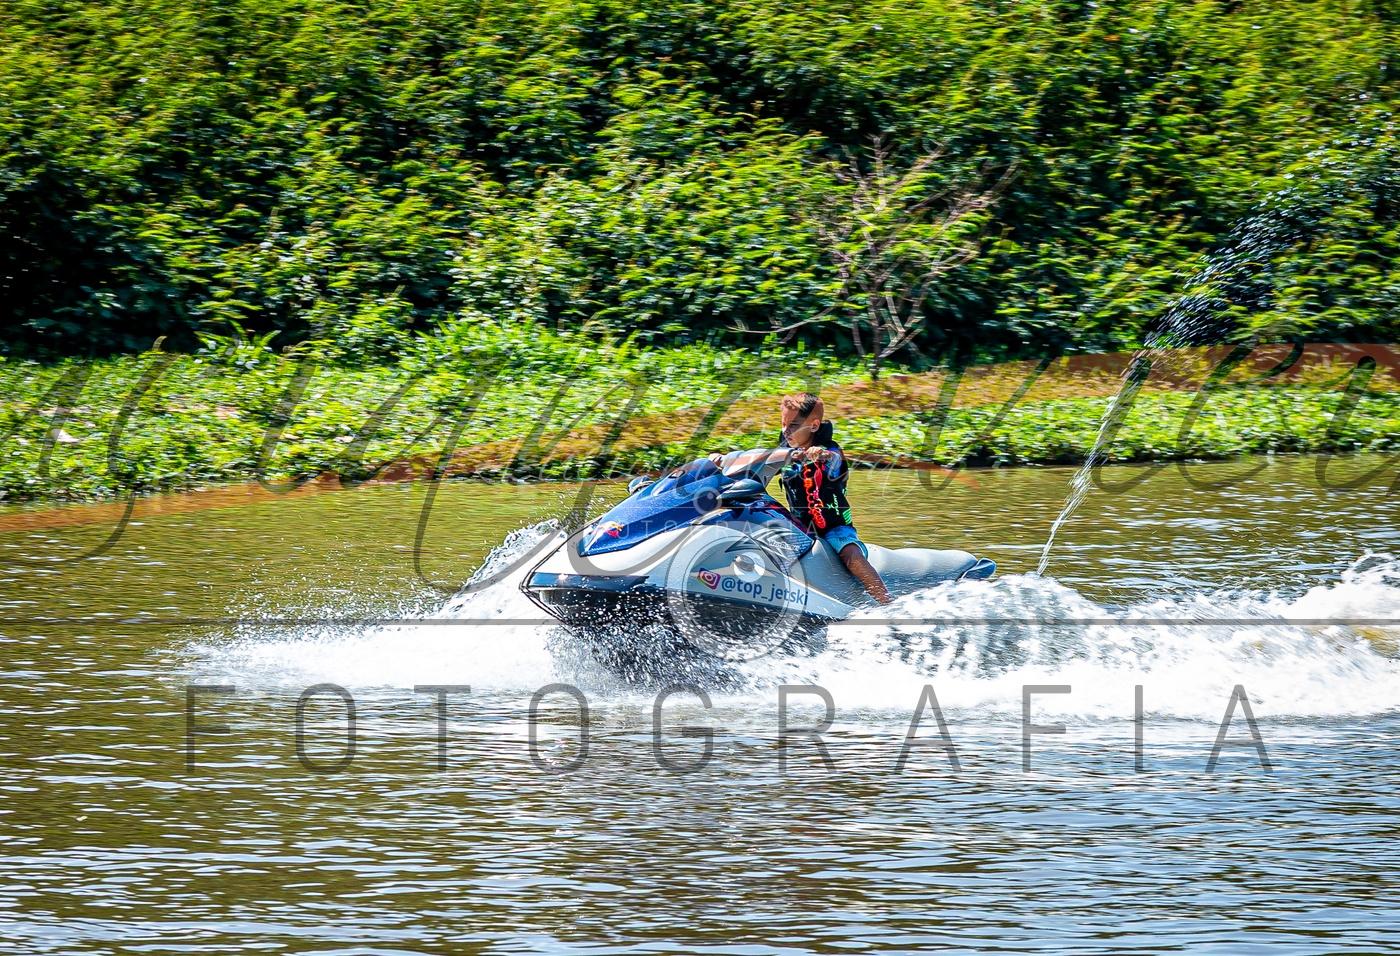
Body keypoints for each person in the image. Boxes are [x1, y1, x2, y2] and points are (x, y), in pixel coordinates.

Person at [714, 392, 890, 604]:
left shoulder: (830, 451)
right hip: (798, 526)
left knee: (850, 555)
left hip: (833, 528)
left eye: (793, 425)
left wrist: (819, 455)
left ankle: (887, 604)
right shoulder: (786, 453)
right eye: (783, 424)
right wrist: (725, 460)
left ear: (814, 426)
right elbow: (760, 464)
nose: (786, 431)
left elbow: (833, 459)